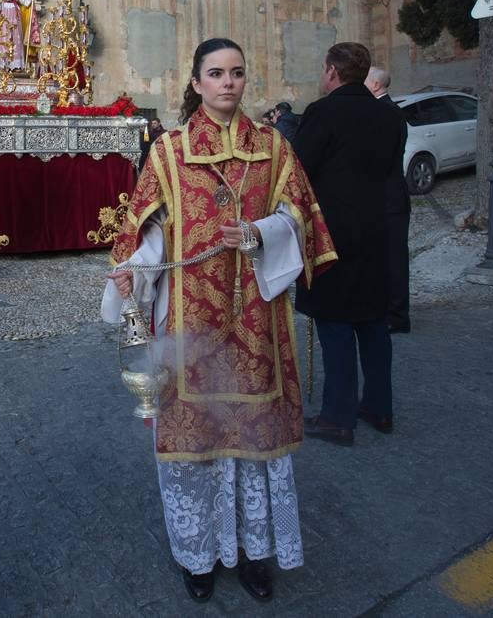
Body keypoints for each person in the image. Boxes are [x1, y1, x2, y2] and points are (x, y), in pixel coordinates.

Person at [104, 38, 336, 605]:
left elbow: (300, 217)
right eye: (216, 73)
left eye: (236, 73)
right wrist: (134, 270)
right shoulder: (169, 152)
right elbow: (149, 232)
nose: (228, 83)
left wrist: (261, 234)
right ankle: (198, 557)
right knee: (196, 445)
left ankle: (258, 555)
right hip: (190, 327)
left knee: (254, 445)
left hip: (258, 321)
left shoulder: (274, 149)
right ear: (197, 82)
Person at [294, 42, 403, 446]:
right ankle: (378, 405)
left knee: (336, 323)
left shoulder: (324, 112)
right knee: (373, 321)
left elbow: (299, 168)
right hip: (376, 228)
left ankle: (337, 417)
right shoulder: (388, 115)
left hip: (332, 230)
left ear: (332, 72)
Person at [364, 66, 412, 333]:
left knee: (394, 259)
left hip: (389, 197)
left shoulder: (385, 112)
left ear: (375, 85)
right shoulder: (385, 111)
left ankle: (397, 315)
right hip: (386, 195)